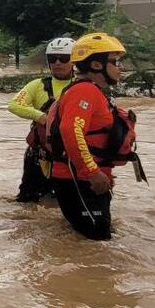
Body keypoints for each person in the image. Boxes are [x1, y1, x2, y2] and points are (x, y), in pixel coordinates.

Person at [44, 32, 139, 240]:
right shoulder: (84, 92)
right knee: (96, 243)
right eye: (115, 62)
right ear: (97, 65)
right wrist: (92, 172)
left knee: (91, 239)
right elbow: (71, 129)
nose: (120, 67)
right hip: (79, 178)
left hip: (84, 178)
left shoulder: (93, 91)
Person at [7, 36, 78, 203]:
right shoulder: (37, 85)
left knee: (66, 201)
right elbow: (14, 105)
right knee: (27, 201)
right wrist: (42, 117)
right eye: (53, 59)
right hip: (39, 154)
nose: (57, 63)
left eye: (64, 58)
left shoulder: (82, 87)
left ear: (74, 61)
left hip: (70, 156)